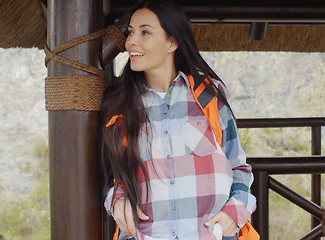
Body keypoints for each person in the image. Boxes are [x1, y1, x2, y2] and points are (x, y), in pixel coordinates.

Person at [100, 1, 256, 239]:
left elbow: (239, 167)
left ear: (172, 42)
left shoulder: (208, 96)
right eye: (131, 32)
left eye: (145, 32)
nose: (131, 41)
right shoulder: (118, 104)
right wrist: (116, 199)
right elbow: (108, 175)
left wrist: (234, 213)